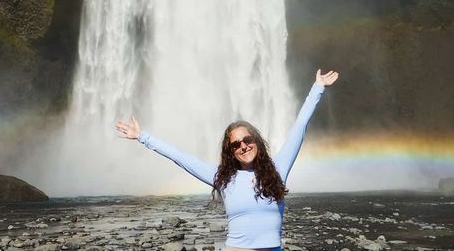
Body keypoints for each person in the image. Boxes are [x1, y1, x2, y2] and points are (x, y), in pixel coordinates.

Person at [115, 69, 339, 251]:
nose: (243, 145)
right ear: (230, 151)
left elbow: (299, 128)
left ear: (257, 141)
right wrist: (142, 137)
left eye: (248, 139)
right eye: (235, 144)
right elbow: (179, 157)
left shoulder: (278, 169)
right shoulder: (222, 178)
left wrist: (317, 87)